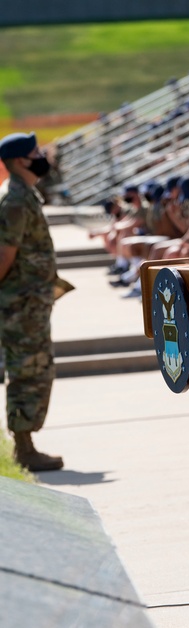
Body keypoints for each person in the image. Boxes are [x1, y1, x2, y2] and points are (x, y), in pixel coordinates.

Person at [0, 132, 63, 471]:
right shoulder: (16, 201)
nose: (43, 156)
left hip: (29, 304)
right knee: (28, 372)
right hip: (21, 307)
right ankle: (24, 449)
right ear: (22, 160)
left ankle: (26, 444)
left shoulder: (25, 196)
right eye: (36, 152)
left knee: (34, 370)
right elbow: (4, 256)